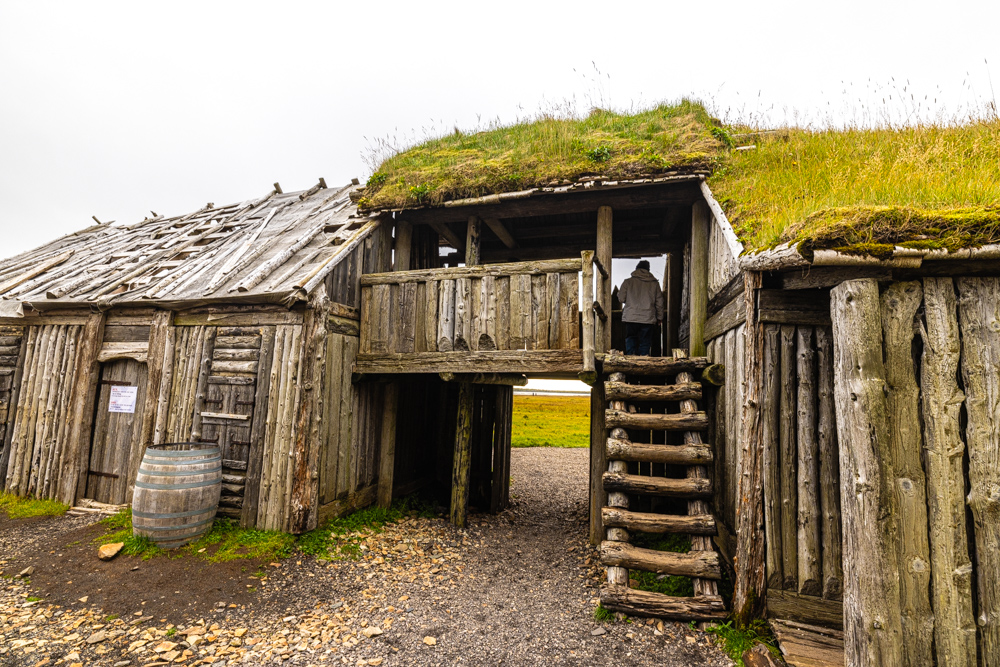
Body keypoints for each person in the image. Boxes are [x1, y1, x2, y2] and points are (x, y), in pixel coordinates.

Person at [618, 260, 663, 356]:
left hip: (631, 317)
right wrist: (660, 317)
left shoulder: (627, 282)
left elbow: (621, 298)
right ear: (648, 270)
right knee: (645, 340)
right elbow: (659, 302)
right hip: (647, 317)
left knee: (631, 338)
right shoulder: (654, 284)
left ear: (636, 268)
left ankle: (631, 357)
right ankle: (644, 359)